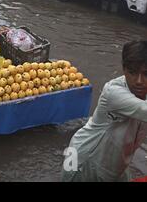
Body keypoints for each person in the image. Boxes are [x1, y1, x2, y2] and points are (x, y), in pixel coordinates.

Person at [62, 40, 147, 182]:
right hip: (81, 158)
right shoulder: (113, 93)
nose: (139, 81)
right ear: (124, 69)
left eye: (146, 74)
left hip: (113, 163)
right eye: (132, 72)